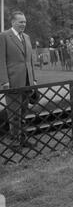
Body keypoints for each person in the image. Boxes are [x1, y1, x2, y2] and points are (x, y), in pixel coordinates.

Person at [0, 11, 37, 151]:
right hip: (12, 81)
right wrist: (4, 81)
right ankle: (14, 142)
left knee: (23, 111)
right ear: (13, 22)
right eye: (20, 22)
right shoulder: (4, 36)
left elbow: (30, 59)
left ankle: (23, 139)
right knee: (13, 113)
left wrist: (34, 79)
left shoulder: (26, 37)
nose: (23, 24)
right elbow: (1, 60)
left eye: (25, 22)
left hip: (27, 81)